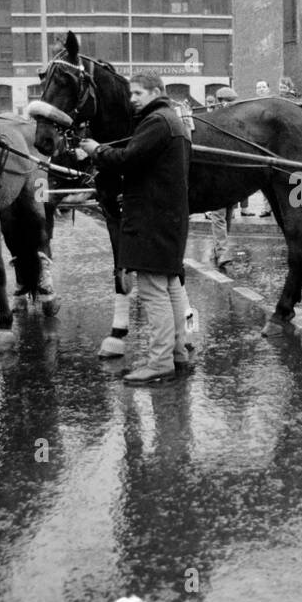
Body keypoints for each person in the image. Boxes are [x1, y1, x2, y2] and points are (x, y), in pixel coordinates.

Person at [80, 73, 193, 384]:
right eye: (130, 93)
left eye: (139, 92)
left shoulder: (156, 121)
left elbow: (128, 159)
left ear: (156, 91)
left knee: (153, 291)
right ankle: (177, 352)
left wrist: (96, 150)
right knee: (169, 287)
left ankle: (159, 362)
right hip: (168, 218)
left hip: (150, 219)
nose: (132, 98)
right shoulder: (173, 121)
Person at [207, 87, 238, 268]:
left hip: (230, 175)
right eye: (228, 101)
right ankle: (222, 250)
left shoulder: (231, 121)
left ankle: (218, 248)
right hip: (217, 174)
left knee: (227, 214)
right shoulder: (213, 121)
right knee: (219, 214)